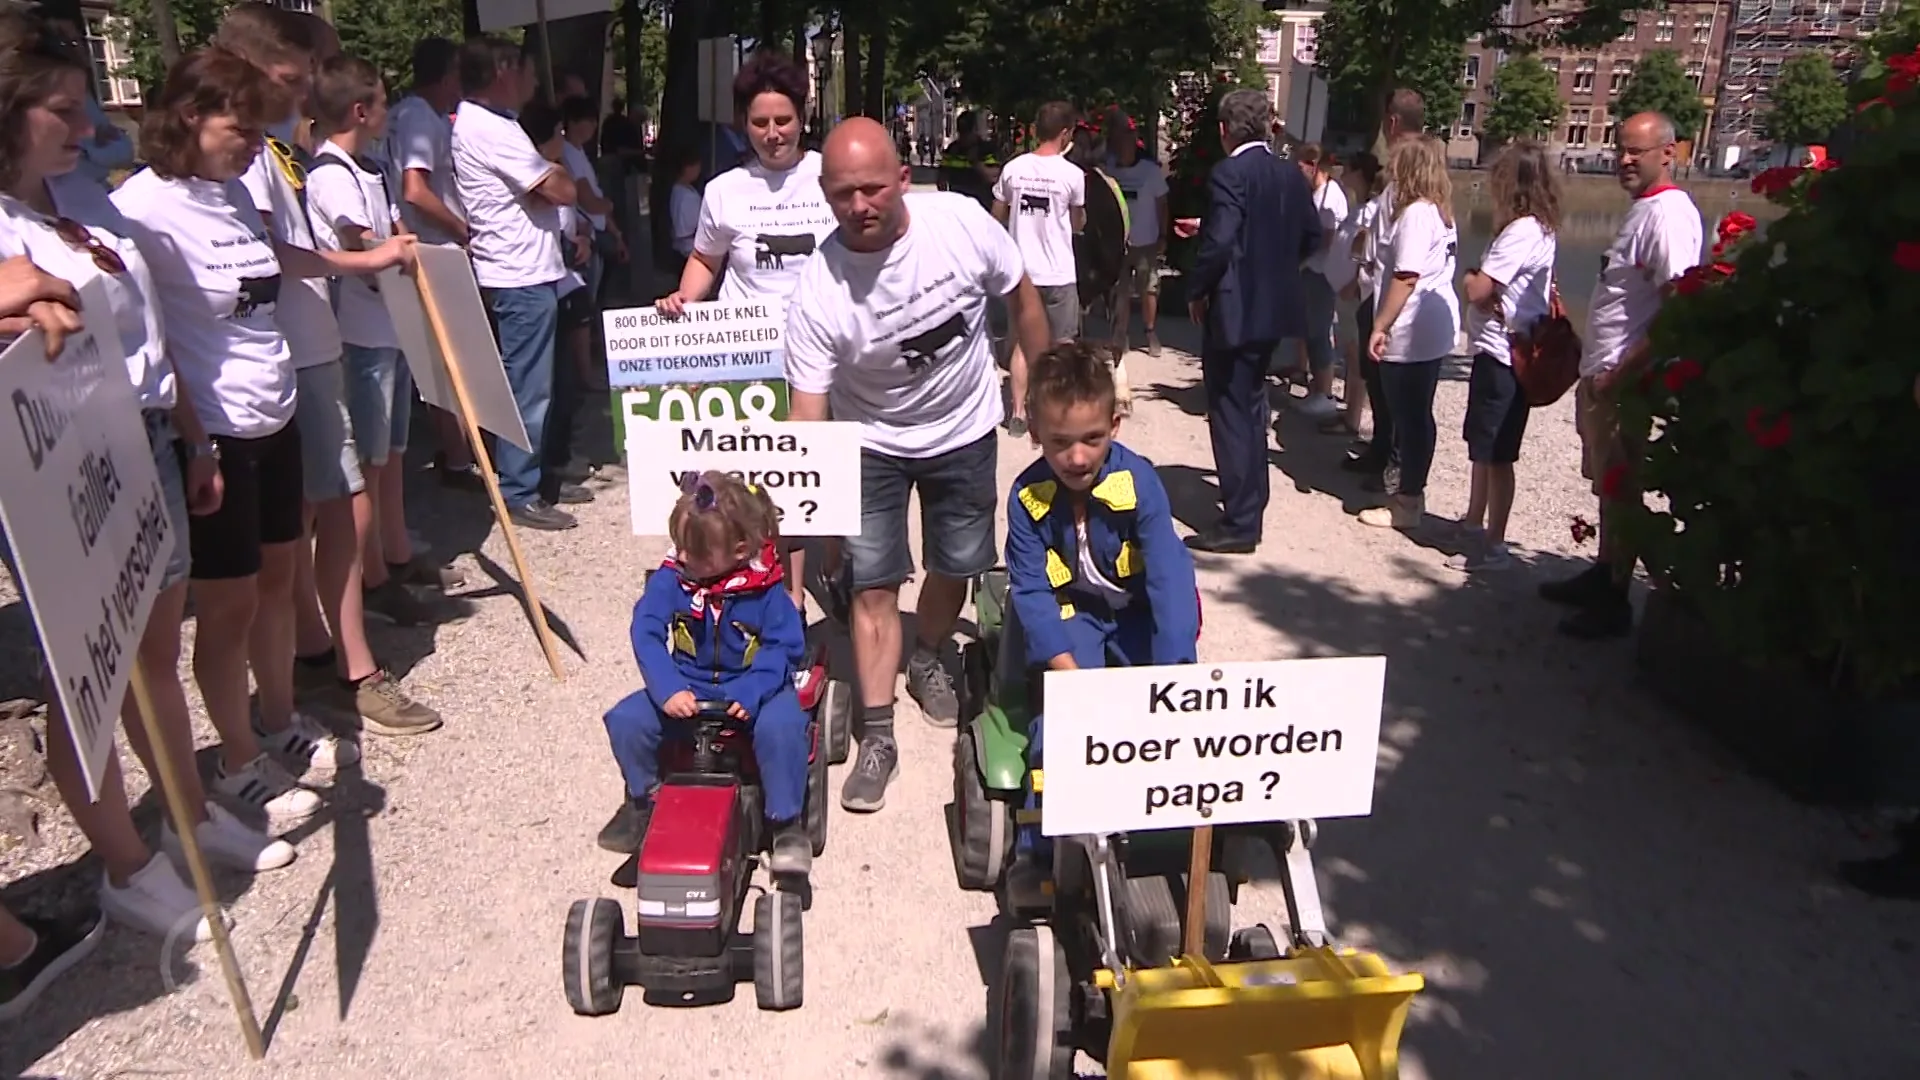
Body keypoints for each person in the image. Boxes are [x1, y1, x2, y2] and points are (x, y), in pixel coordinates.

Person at [0, 12, 290, 957]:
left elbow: (149, 327)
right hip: (61, 464)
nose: (85, 127)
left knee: (153, 652)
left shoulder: (81, 196)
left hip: (148, 438)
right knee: (87, 671)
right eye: (62, 110)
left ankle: (185, 805)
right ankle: (125, 866)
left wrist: (192, 434)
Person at [114, 45, 416, 830]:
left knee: (282, 581)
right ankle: (238, 754)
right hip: (214, 432)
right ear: (189, 117)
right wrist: (191, 440)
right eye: (240, 128)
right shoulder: (142, 209)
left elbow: (276, 259)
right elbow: (149, 335)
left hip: (274, 410)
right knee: (229, 605)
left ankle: (279, 718)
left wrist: (353, 262)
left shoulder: (228, 195)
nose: (256, 144)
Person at [785, 118, 1050, 811]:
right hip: (870, 438)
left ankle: (929, 649)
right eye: (842, 194)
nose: (859, 205)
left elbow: (1021, 294)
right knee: (872, 584)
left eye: (872, 188)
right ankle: (878, 735)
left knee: (958, 564)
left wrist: (1040, 375)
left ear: (904, 179)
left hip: (962, 427)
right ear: (825, 193)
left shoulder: (959, 224)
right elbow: (807, 411)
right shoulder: (819, 288)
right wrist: (815, 513)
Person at [1000, 341, 1199, 898]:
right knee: (1058, 730)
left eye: (1092, 439)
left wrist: (1172, 672)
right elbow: (1034, 593)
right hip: (1075, 615)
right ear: (1035, 432)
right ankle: (1038, 848)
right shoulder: (1026, 498)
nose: (1078, 458)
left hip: (1134, 614)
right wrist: (1069, 675)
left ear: (1115, 422)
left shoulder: (1141, 485)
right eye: (1060, 443)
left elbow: (1169, 581)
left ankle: (1169, 830)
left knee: (1164, 721)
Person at [655, 51, 838, 619]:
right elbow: (706, 261)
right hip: (745, 355)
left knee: (801, 479)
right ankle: (739, 585)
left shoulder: (829, 176)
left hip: (819, 355)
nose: (772, 133)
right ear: (744, 125)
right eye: (760, 122)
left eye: (782, 120)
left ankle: (794, 597)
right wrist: (682, 300)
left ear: (801, 117)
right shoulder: (725, 190)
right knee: (748, 479)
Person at [599, 473, 812, 875]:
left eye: (695, 552)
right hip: (688, 684)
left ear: (739, 549)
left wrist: (752, 691)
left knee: (782, 728)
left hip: (756, 687)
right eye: (679, 546)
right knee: (627, 720)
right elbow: (645, 631)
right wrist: (668, 687)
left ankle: (786, 823)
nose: (681, 557)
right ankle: (643, 801)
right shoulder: (672, 580)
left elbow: (784, 647)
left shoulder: (765, 589)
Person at [1540, 111, 1701, 639]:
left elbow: (1680, 308)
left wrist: (1623, 373)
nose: (1625, 160)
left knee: (1621, 485)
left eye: (1638, 151)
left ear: (1669, 153)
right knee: (1607, 484)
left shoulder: (1669, 216)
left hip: (1623, 382)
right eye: (1621, 150)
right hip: (1603, 375)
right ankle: (1604, 571)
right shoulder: (1644, 210)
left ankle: (1616, 600)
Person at [452, 36, 583, 531]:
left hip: (528, 270)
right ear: (503, 71)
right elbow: (559, 188)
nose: (532, 81)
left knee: (539, 382)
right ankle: (518, 488)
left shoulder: (492, 125)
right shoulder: (493, 129)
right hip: (518, 274)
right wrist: (556, 174)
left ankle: (536, 473)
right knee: (529, 388)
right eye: (525, 70)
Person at [1183, 89, 1321, 556]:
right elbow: (1310, 235)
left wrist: (1197, 287)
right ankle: (1251, 501)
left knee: (1229, 409)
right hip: (1273, 306)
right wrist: (1277, 268)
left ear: (1225, 130)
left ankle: (1241, 522)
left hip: (1234, 308)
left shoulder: (1229, 172)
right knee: (1252, 404)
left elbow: (1222, 241)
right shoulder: (1290, 174)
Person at [1453, 140, 1560, 572]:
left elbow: (1481, 289)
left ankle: (1495, 543)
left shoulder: (1521, 231)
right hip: (1498, 348)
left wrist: (1468, 278)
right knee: (1483, 441)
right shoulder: (1541, 228)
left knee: (1498, 450)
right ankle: (1475, 519)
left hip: (1504, 353)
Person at [385, 35, 478, 491]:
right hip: (435, 248)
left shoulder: (410, 114)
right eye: (459, 76)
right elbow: (415, 188)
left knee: (442, 357)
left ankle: (459, 452)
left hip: (429, 244)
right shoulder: (420, 120)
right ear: (445, 77)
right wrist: (462, 229)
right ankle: (458, 457)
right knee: (445, 358)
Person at [1361, 136, 1460, 532]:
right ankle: (1408, 492)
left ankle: (1407, 500)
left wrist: (1379, 325)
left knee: (1409, 416)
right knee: (1417, 414)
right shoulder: (1440, 211)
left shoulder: (1417, 214)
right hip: (1432, 327)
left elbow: (1405, 276)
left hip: (1412, 326)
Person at [1341, 90, 1425, 487]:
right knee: (1376, 382)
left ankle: (1393, 465)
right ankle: (1379, 451)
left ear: (1391, 122)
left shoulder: (1409, 173)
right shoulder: (1409, 174)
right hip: (1373, 285)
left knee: (1393, 388)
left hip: (1390, 295)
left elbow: (1406, 253)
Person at [992, 100, 1085, 424]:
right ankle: (1055, 413)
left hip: (1022, 273)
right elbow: (1076, 223)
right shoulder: (1073, 175)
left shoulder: (1013, 169)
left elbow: (997, 218)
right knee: (1062, 345)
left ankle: (1018, 411)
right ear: (1064, 133)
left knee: (1020, 342)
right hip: (1058, 272)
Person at [1325, 150, 1382, 442]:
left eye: (1346, 168)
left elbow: (1365, 254)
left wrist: (1355, 283)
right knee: (1348, 351)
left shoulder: (1372, 211)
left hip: (1353, 293)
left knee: (1354, 354)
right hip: (1343, 290)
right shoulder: (1357, 207)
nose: (1341, 172)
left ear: (1359, 173)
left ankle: (1352, 418)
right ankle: (1349, 407)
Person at [1291, 144, 1348, 420]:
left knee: (1319, 331)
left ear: (1312, 165)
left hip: (1321, 272)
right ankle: (1316, 387)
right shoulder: (1315, 194)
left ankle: (1324, 393)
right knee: (1311, 329)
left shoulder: (1329, 198)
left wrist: (1299, 259)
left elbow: (1326, 239)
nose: (1296, 172)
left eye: (1299, 166)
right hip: (1311, 270)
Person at [1104, 111, 1167, 358]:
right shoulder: (1109, 170)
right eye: (1119, 143)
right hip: (1118, 244)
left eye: (1127, 143)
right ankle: (1120, 334)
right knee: (1120, 291)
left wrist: (1163, 235)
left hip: (1146, 241)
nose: (1123, 149)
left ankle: (1150, 332)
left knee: (1149, 288)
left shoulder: (1150, 172)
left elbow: (1163, 204)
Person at [937, 110, 999, 210]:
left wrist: (975, 162)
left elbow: (993, 178)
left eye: (966, 133)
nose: (963, 138)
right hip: (958, 207)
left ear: (974, 130)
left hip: (980, 206)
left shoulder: (986, 149)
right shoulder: (953, 149)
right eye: (961, 133)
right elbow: (941, 180)